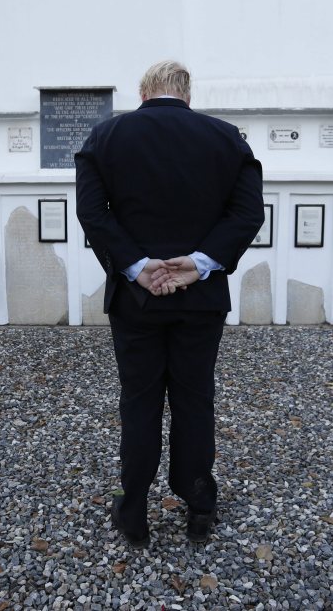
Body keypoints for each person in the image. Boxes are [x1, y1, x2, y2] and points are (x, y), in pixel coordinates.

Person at [75, 60, 264, 546]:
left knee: (139, 401)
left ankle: (133, 509)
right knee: (194, 398)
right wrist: (198, 263)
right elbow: (247, 214)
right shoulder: (227, 139)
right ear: (187, 93)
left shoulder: (105, 137)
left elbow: (93, 214)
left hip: (136, 300)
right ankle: (198, 502)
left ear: (143, 91)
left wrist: (139, 267)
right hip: (199, 298)